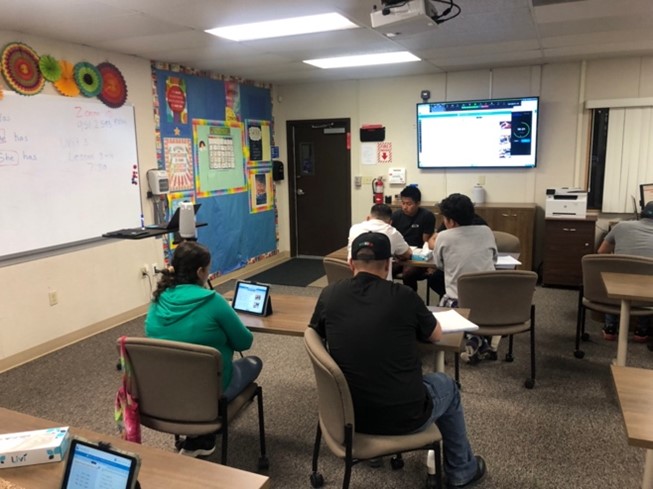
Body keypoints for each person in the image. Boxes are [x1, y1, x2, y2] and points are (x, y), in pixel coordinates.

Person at [310, 232, 487, 488]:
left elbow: (319, 332)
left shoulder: (329, 295)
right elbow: (435, 334)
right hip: (405, 417)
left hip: (345, 414)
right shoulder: (403, 296)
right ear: (388, 265)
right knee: (447, 386)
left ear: (351, 264)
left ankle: (375, 458)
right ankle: (462, 471)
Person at [145, 241, 263, 457]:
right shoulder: (213, 301)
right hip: (209, 389)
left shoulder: (157, 300)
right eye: (208, 270)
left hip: (164, 389)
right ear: (200, 271)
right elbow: (244, 342)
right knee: (253, 362)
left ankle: (197, 437)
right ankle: (204, 434)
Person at [433, 193, 497, 363]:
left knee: (443, 302)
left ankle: (473, 339)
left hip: (458, 299)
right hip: (491, 299)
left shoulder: (444, 236)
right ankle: (480, 339)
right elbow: (494, 259)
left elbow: (439, 265)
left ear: (451, 221)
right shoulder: (486, 231)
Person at [597, 201, 653, 342]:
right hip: (647, 290)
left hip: (619, 284)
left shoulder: (621, 226)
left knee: (613, 274)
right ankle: (641, 331)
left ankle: (610, 328)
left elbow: (601, 252)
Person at [427, 212, 489, 301]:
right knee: (436, 278)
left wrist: (444, 244)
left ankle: (451, 301)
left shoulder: (478, 224)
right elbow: (432, 240)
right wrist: (443, 244)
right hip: (457, 270)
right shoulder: (447, 228)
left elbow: (439, 264)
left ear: (451, 222)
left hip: (474, 272)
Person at [347, 203, 412, 280]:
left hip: (354, 282)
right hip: (382, 284)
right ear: (390, 222)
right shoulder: (392, 232)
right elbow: (407, 254)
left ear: (368, 218)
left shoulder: (354, 228)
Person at [391, 186, 436, 291]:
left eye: (409, 204)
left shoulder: (427, 216)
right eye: (403, 203)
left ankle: (411, 300)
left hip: (418, 256)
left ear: (418, 203)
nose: (405, 207)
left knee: (408, 274)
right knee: (385, 270)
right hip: (399, 252)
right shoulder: (396, 216)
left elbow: (426, 242)